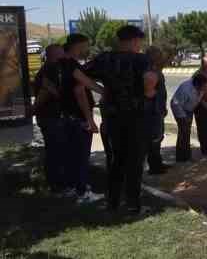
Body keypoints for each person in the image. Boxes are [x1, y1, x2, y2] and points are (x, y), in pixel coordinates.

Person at [84, 25, 152, 214]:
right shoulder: (140, 59)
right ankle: (133, 203)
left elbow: (79, 74)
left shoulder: (104, 58)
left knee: (115, 161)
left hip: (112, 117)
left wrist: (101, 90)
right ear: (133, 40)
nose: (140, 46)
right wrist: (148, 92)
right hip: (135, 117)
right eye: (139, 42)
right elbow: (149, 78)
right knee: (135, 162)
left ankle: (113, 202)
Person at [53, 34, 105, 204]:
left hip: (65, 116)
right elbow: (82, 90)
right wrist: (90, 120)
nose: (87, 49)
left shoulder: (58, 65)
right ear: (78, 46)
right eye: (85, 46)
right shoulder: (72, 65)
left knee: (70, 156)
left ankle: (71, 187)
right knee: (81, 157)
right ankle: (82, 193)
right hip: (78, 118)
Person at [171, 73, 207, 162]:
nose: (206, 88)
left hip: (189, 109)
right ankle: (182, 158)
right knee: (184, 133)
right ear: (197, 85)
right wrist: (183, 118)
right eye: (204, 87)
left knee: (186, 132)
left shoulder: (203, 84)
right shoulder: (186, 89)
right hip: (180, 109)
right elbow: (176, 103)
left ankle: (185, 156)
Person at [33, 44, 67, 195]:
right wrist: (60, 96)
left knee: (54, 150)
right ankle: (57, 185)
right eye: (62, 53)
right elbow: (45, 91)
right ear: (55, 55)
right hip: (50, 117)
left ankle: (55, 183)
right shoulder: (51, 69)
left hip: (47, 117)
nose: (64, 55)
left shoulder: (46, 69)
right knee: (56, 151)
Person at [144, 46, 170, 175]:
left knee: (158, 137)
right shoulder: (150, 70)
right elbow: (150, 92)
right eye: (159, 54)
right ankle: (155, 167)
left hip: (158, 109)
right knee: (154, 138)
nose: (162, 57)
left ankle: (157, 163)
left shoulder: (157, 69)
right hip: (153, 111)